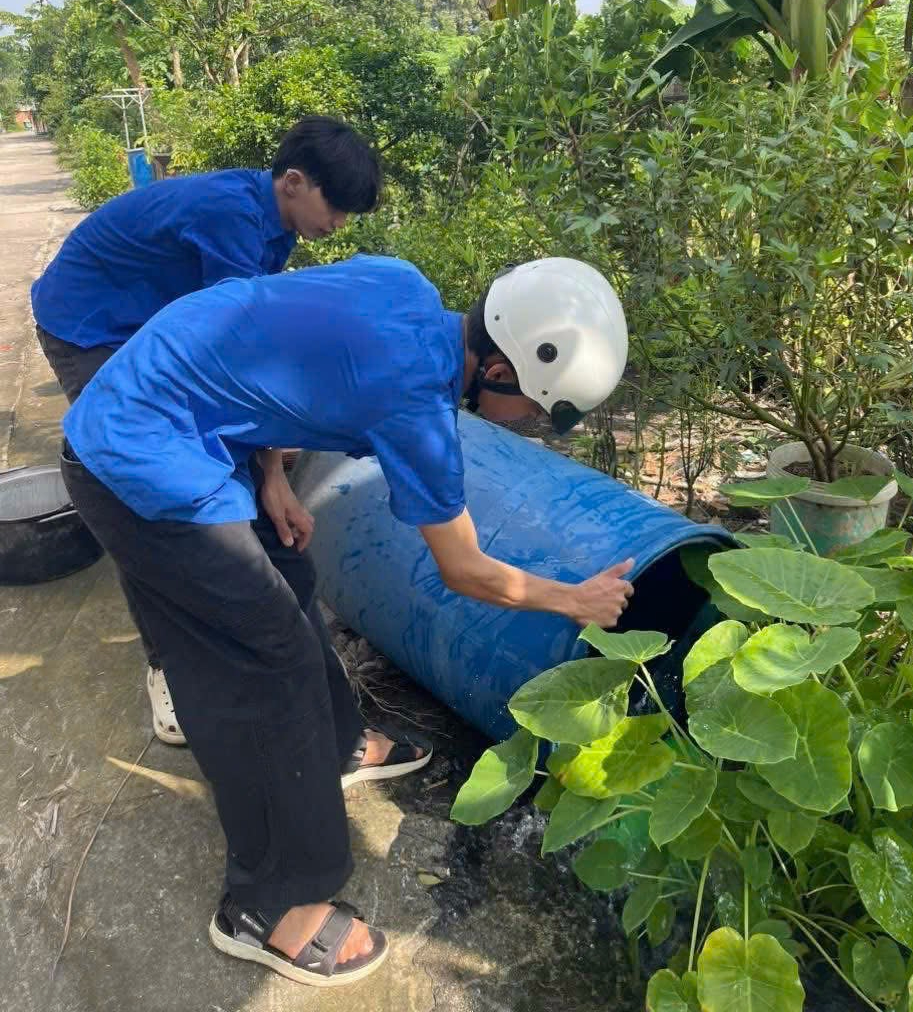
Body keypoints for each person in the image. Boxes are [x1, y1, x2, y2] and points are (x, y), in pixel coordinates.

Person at [60, 254, 632, 987]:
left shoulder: (403, 286)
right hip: (132, 453)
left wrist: (272, 474)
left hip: (181, 415)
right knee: (267, 666)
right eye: (535, 409)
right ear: (496, 372)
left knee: (292, 573)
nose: (531, 425)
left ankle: (336, 748)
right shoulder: (415, 408)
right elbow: (466, 570)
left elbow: (270, 343)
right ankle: (269, 905)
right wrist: (576, 600)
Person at [32, 115, 381, 748]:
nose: (338, 225)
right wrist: (270, 468)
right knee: (141, 491)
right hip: (91, 325)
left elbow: (243, 356)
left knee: (206, 469)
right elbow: (236, 360)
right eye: (335, 208)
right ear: (294, 182)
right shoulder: (232, 218)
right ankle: (166, 667)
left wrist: (270, 471)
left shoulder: (277, 224)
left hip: (143, 319)